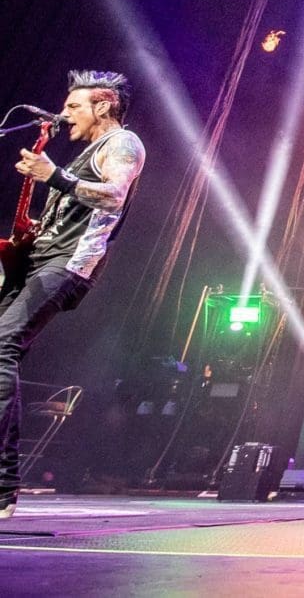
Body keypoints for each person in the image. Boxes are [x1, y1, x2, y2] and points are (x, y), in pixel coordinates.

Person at [5, 70, 143, 519]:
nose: (64, 115)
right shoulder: (89, 151)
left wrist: (54, 176)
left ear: (102, 106)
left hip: (68, 264)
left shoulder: (123, 143)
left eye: (73, 106)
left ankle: (4, 484)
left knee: (3, 344)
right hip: (41, 259)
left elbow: (114, 197)